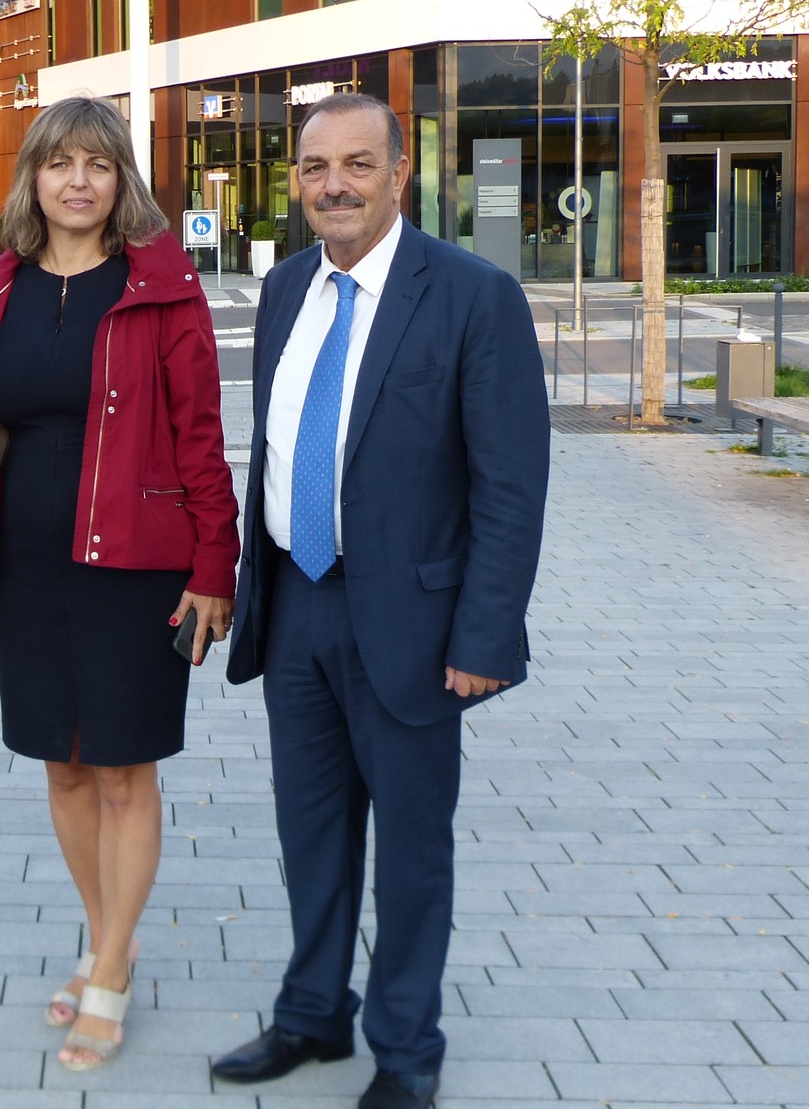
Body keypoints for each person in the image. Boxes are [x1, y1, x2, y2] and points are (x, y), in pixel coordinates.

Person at [209, 93, 548, 1109]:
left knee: (408, 846)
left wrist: (484, 632)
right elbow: (273, 450)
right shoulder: (281, 292)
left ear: (399, 175)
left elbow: (509, 485)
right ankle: (313, 1011)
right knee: (309, 833)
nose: (333, 186)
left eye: (356, 165)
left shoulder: (469, 295)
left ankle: (404, 1044)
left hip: (410, 620)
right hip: (296, 604)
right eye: (314, 168)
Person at [0, 96, 239, 1071]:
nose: (77, 180)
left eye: (97, 164)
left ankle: (109, 968)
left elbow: (200, 430)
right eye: (58, 162)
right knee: (61, 763)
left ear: (122, 182)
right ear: (31, 177)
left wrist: (215, 564)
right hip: (26, 569)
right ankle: (102, 934)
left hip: (136, 565)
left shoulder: (159, 285)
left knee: (122, 767)